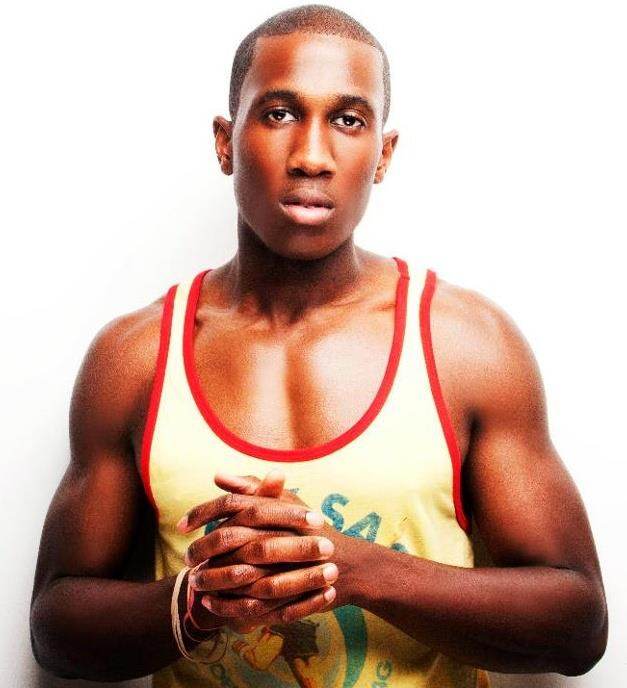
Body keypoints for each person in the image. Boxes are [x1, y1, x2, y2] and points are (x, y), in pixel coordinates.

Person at [29, 4, 608, 687]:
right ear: (225, 142)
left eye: (348, 120)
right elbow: (56, 628)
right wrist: (199, 599)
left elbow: (577, 627)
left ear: (382, 154)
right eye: (278, 114)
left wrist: (352, 569)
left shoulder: (467, 346)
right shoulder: (136, 357)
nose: (311, 155)